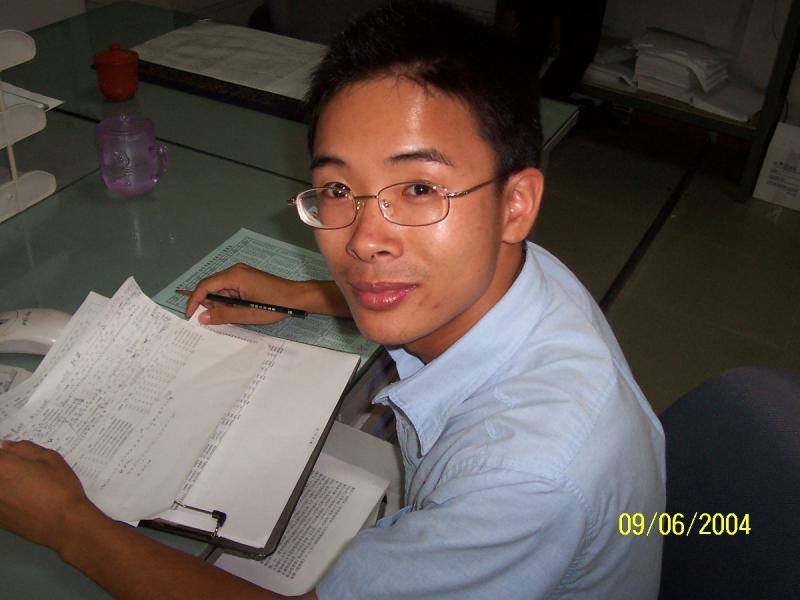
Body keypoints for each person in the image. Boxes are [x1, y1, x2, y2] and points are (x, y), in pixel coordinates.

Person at [0, 2, 665, 598]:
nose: (364, 240)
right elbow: (433, 279)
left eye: (420, 189)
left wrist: (68, 522)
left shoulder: (522, 477)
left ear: (514, 203)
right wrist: (296, 294)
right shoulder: (521, 276)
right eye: (339, 190)